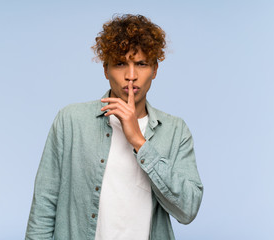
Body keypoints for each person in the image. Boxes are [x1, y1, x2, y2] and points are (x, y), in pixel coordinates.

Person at [25, 14, 203, 240]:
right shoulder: (70, 121)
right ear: (106, 70)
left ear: (155, 70)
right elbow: (44, 205)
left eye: (141, 64)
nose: (131, 76)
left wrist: (139, 141)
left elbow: (188, 210)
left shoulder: (175, 131)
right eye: (120, 64)